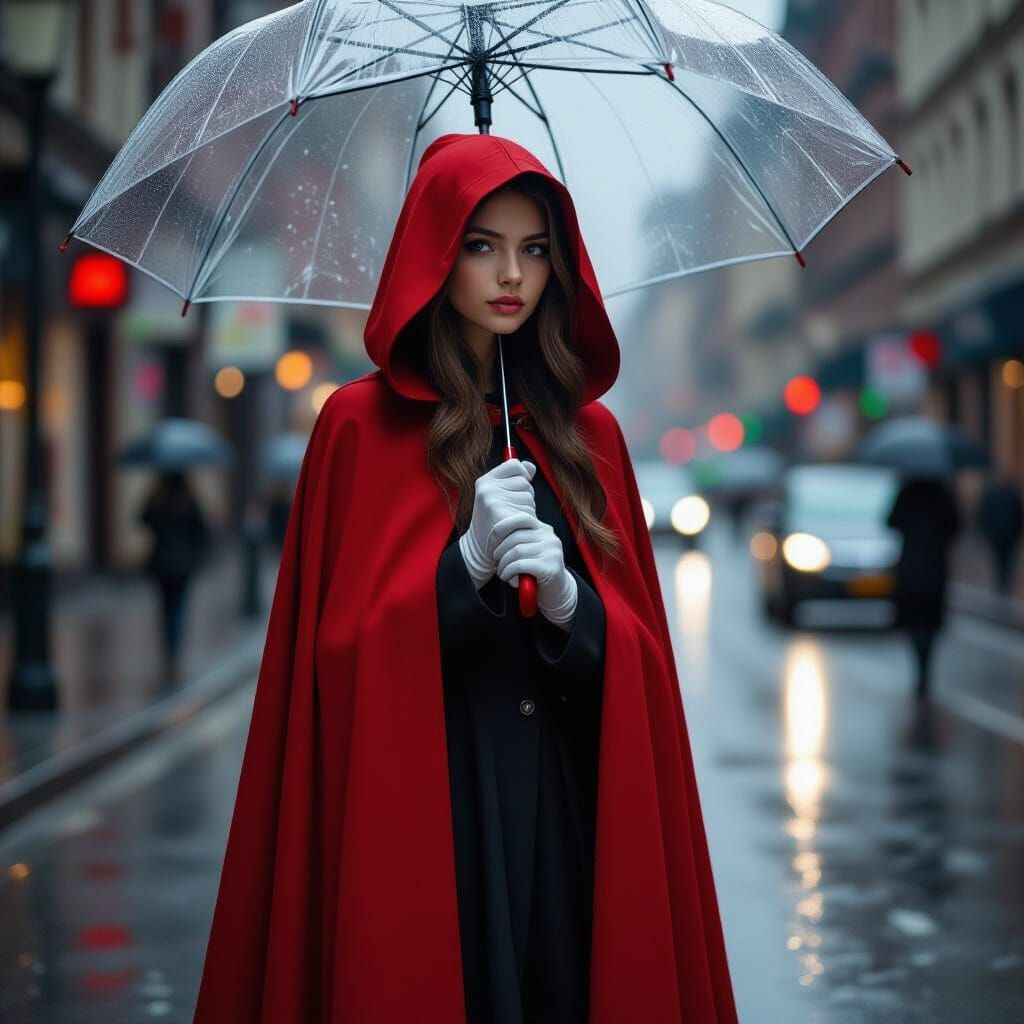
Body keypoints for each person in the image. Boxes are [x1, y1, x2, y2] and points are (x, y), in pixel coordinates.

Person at [193, 134, 739, 1024]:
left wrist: (572, 609)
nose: (510, 275)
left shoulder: (586, 434)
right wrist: (465, 570)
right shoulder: (357, 430)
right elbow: (337, 659)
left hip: (564, 806)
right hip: (433, 806)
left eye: (532, 249)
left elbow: (636, 656)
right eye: (481, 245)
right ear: (436, 253)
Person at [886, 475, 961, 699]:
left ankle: (920, 668)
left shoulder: (906, 492)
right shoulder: (942, 493)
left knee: (915, 622)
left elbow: (890, 521)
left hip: (910, 568)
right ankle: (925, 668)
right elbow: (956, 527)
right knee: (928, 623)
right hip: (935, 569)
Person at [138, 470, 210, 677]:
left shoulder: (158, 499)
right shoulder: (189, 500)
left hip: (161, 563)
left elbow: (143, 519)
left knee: (165, 606)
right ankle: (174, 648)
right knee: (178, 606)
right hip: (182, 564)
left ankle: (169, 648)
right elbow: (201, 531)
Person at [976, 471, 1023, 596]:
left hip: (1007, 534)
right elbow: (985, 514)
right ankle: (1002, 582)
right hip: (1000, 534)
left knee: (1005, 560)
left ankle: (1003, 582)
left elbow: (1018, 515)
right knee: (1000, 559)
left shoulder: (1009, 494)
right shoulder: (994, 495)